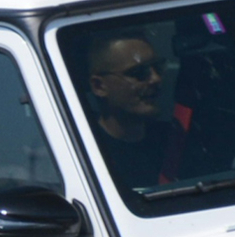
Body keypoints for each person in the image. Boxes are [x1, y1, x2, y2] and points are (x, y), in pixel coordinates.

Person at [77, 31, 187, 192]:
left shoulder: (175, 139)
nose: (155, 79)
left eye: (157, 67)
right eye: (138, 73)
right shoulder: (84, 154)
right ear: (99, 86)